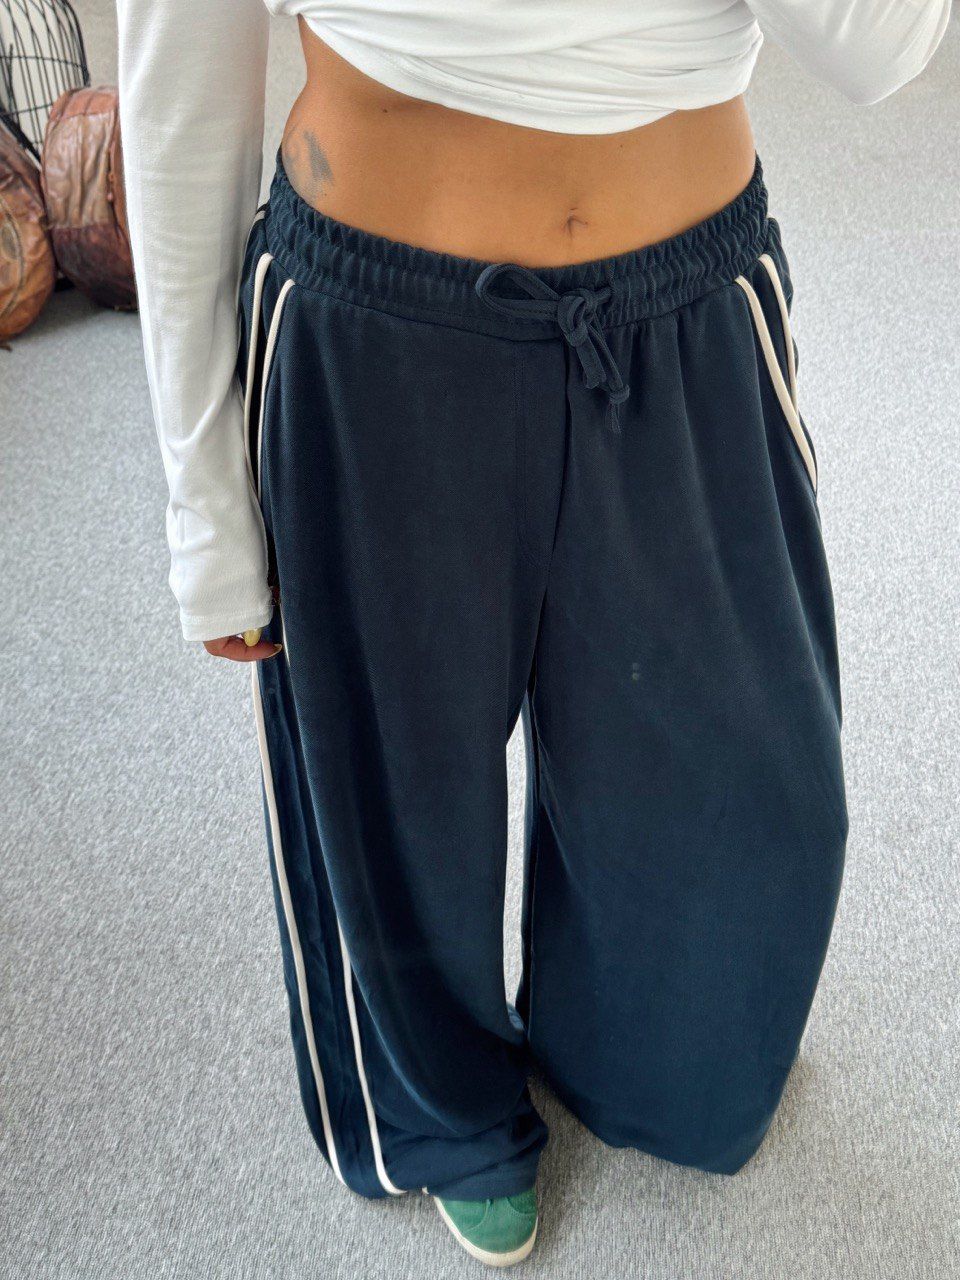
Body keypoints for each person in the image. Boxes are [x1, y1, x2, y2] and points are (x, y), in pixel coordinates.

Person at [115, 0, 950, 1266]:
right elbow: (180, 81)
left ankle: (623, 1047)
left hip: (687, 300)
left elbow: (881, 53)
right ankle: (444, 1113)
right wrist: (206, 510)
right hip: (377, 321)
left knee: (744, 802)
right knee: (393, 796)